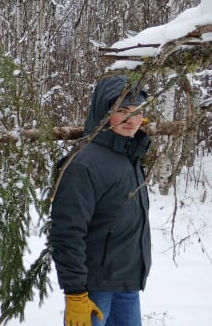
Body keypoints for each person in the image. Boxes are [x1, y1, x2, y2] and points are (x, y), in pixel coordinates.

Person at [49, 75, 151, 326]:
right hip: (93, 289)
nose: (131, 120)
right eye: (122, 111)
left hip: (127, 284)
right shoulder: (84, 164)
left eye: (137, 111)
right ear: (103, 112)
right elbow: (67, 232)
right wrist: (75, 293)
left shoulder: (128, 154)